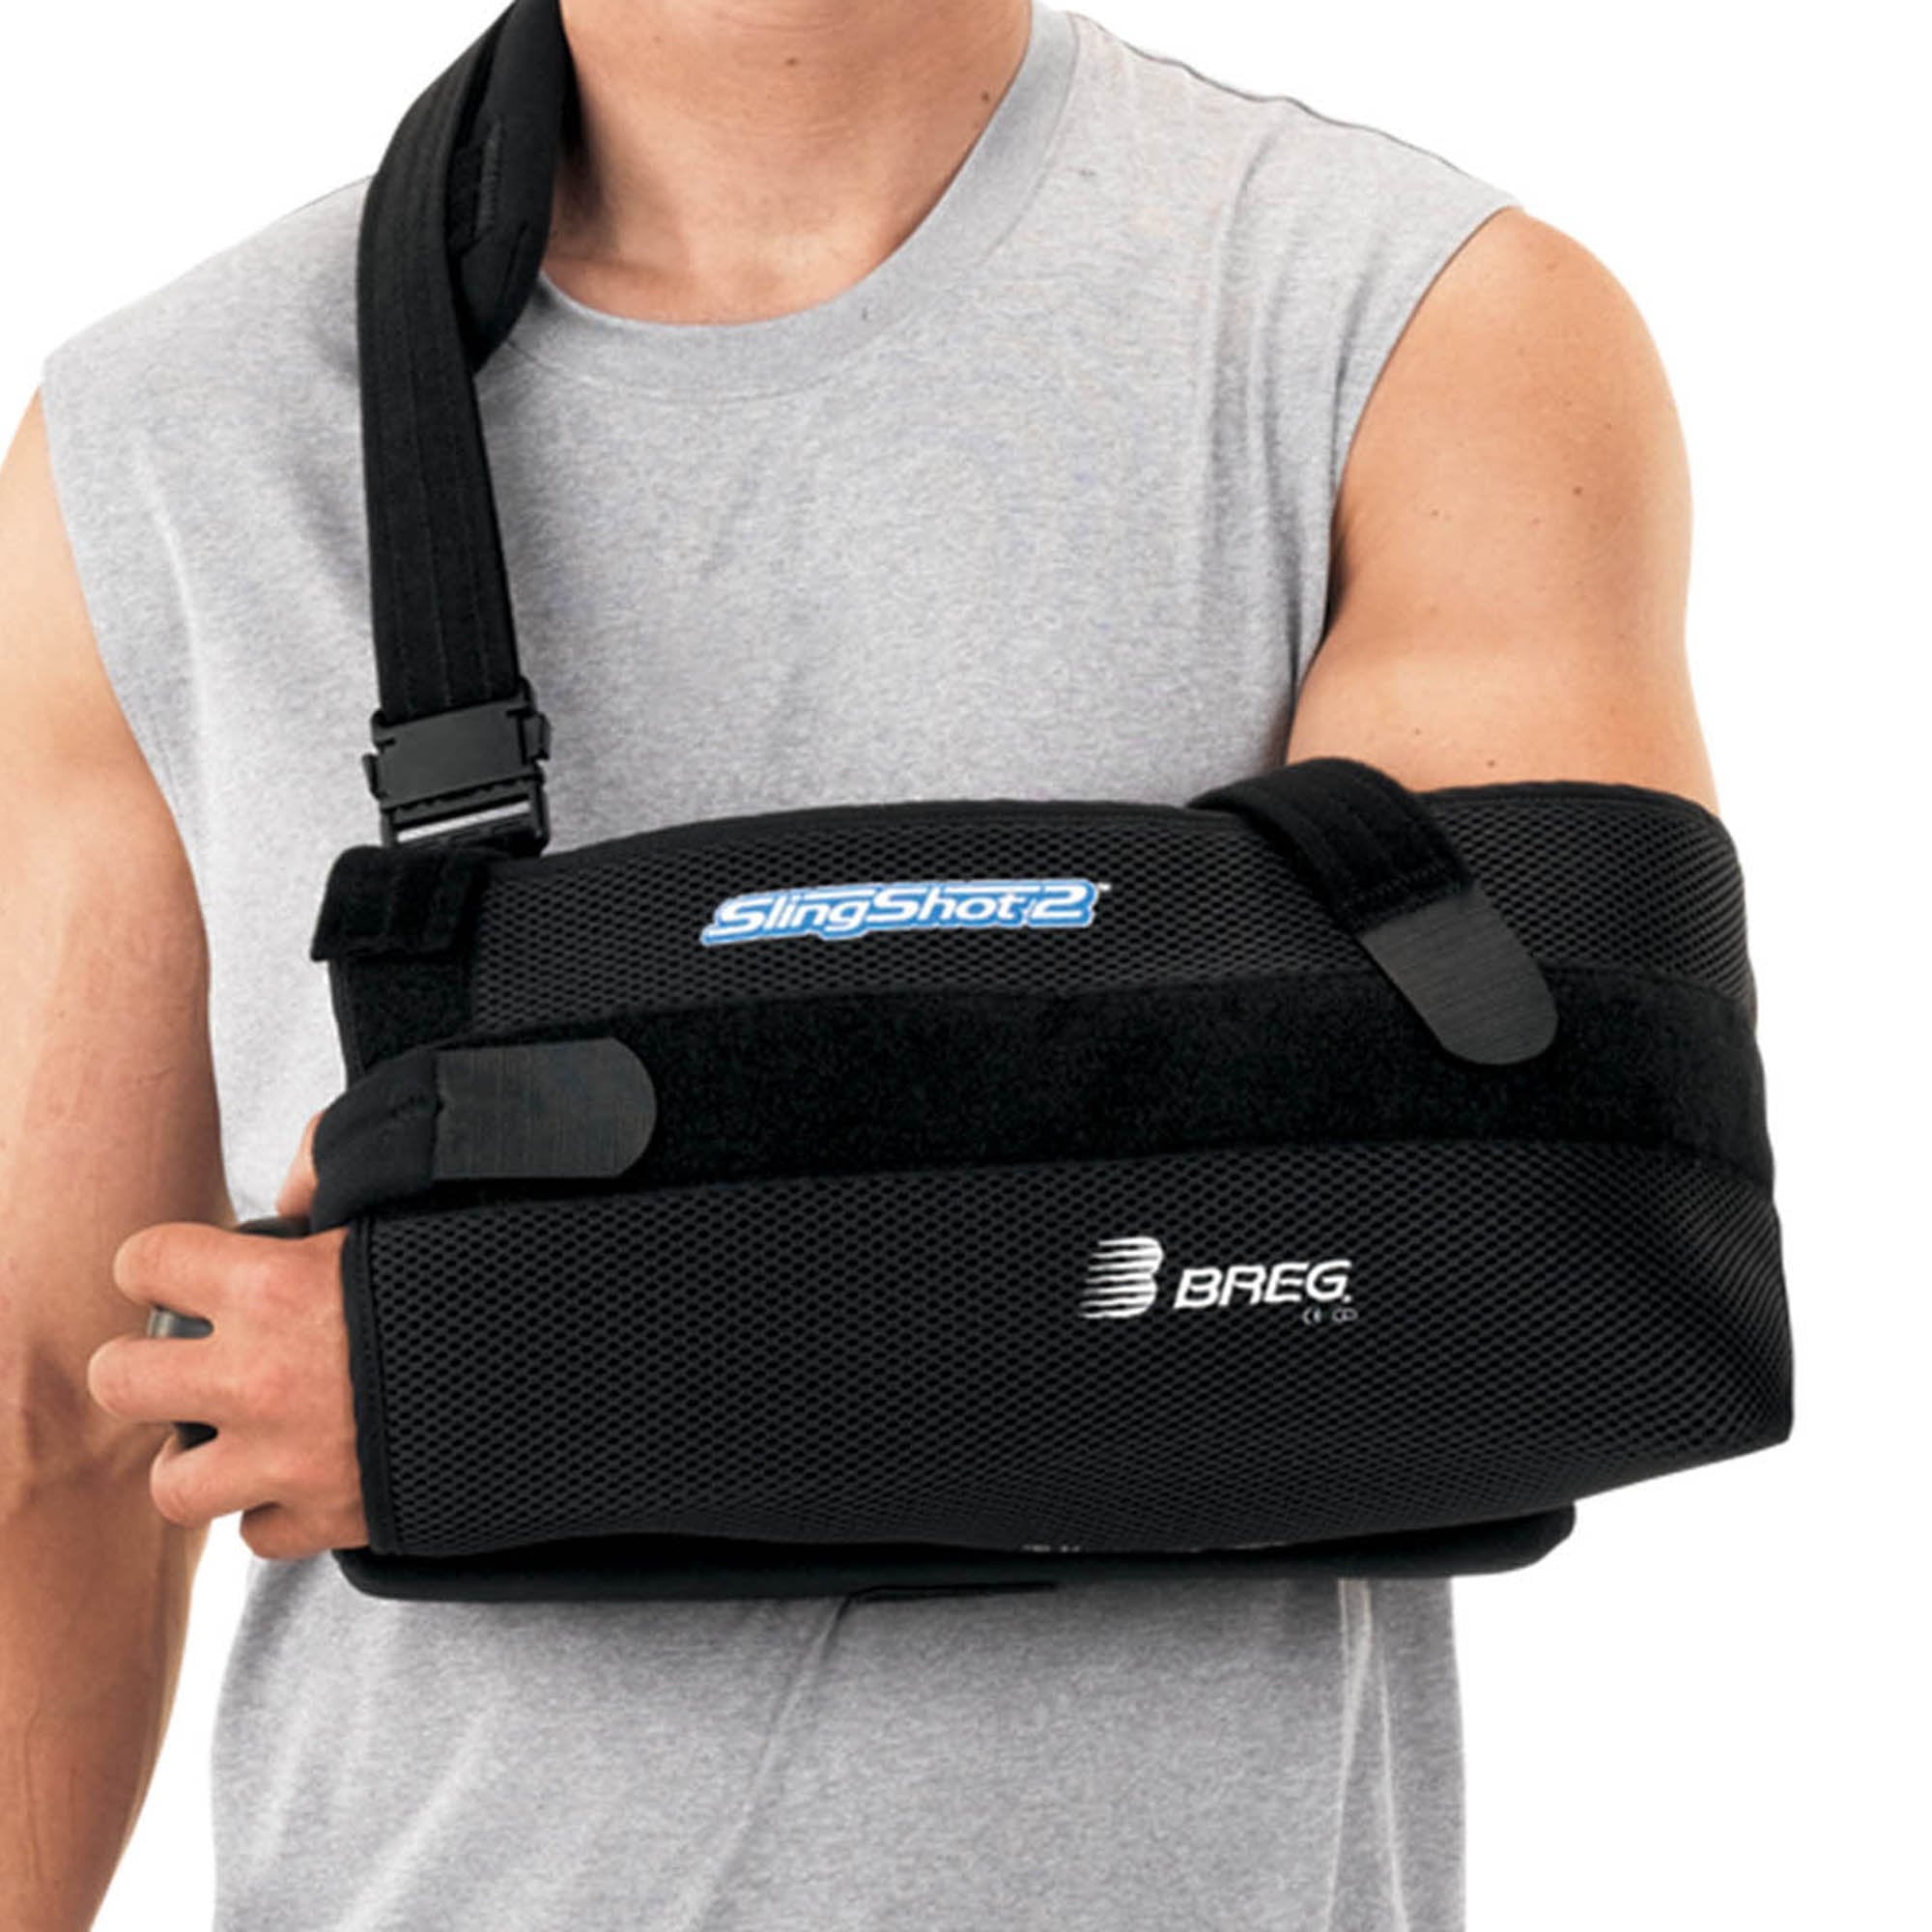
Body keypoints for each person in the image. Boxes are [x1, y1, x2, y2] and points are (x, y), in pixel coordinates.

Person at [0, 1, 1719, 1926]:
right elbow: (53, 1424)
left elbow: (1535, 1260)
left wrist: (501, 1368)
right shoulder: (162, 435)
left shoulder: (1407, 326)